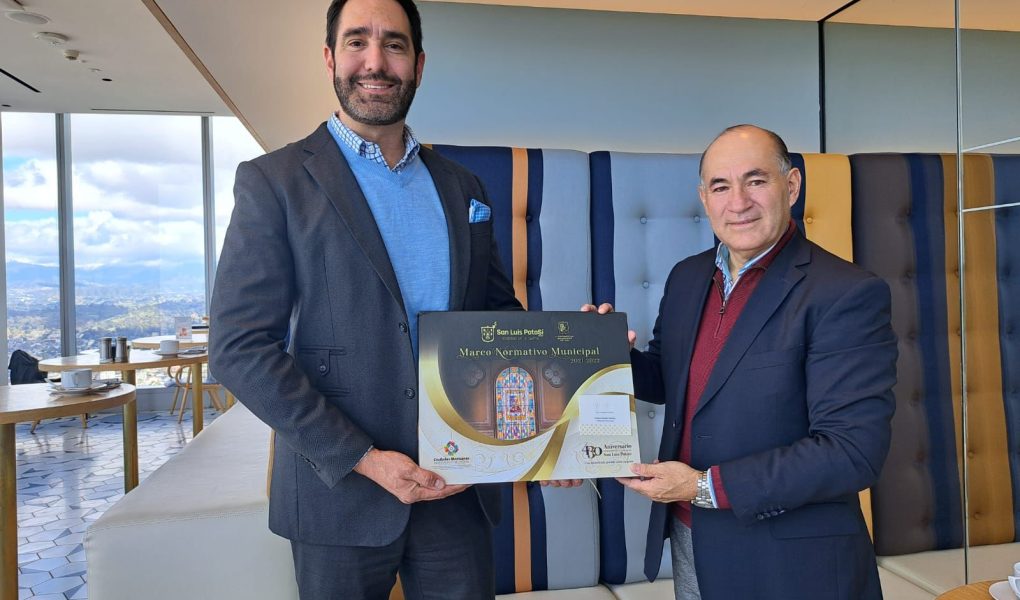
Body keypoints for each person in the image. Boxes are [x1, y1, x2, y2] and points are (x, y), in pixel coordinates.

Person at [208, 0, 521, 597]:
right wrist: (364, 458)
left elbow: (496, 318)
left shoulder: (464, 187)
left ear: (419, 65)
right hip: (338, 493)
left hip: (455, 489)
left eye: (394, 45)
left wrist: (569, 354)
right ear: (330, 59)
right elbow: (237, 348)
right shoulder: (273, 182)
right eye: (357, 42)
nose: (375, 62)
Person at [585, 124, 897, 599]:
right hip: (692, 539)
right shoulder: (688, 276)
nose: (738, 202)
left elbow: (852, 452)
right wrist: (609, 356)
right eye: (720, 186)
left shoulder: (846, 293)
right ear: (703, 198)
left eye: (756, 180)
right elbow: (671, 378)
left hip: (792, 562)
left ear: (791, 185)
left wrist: (703, 487)